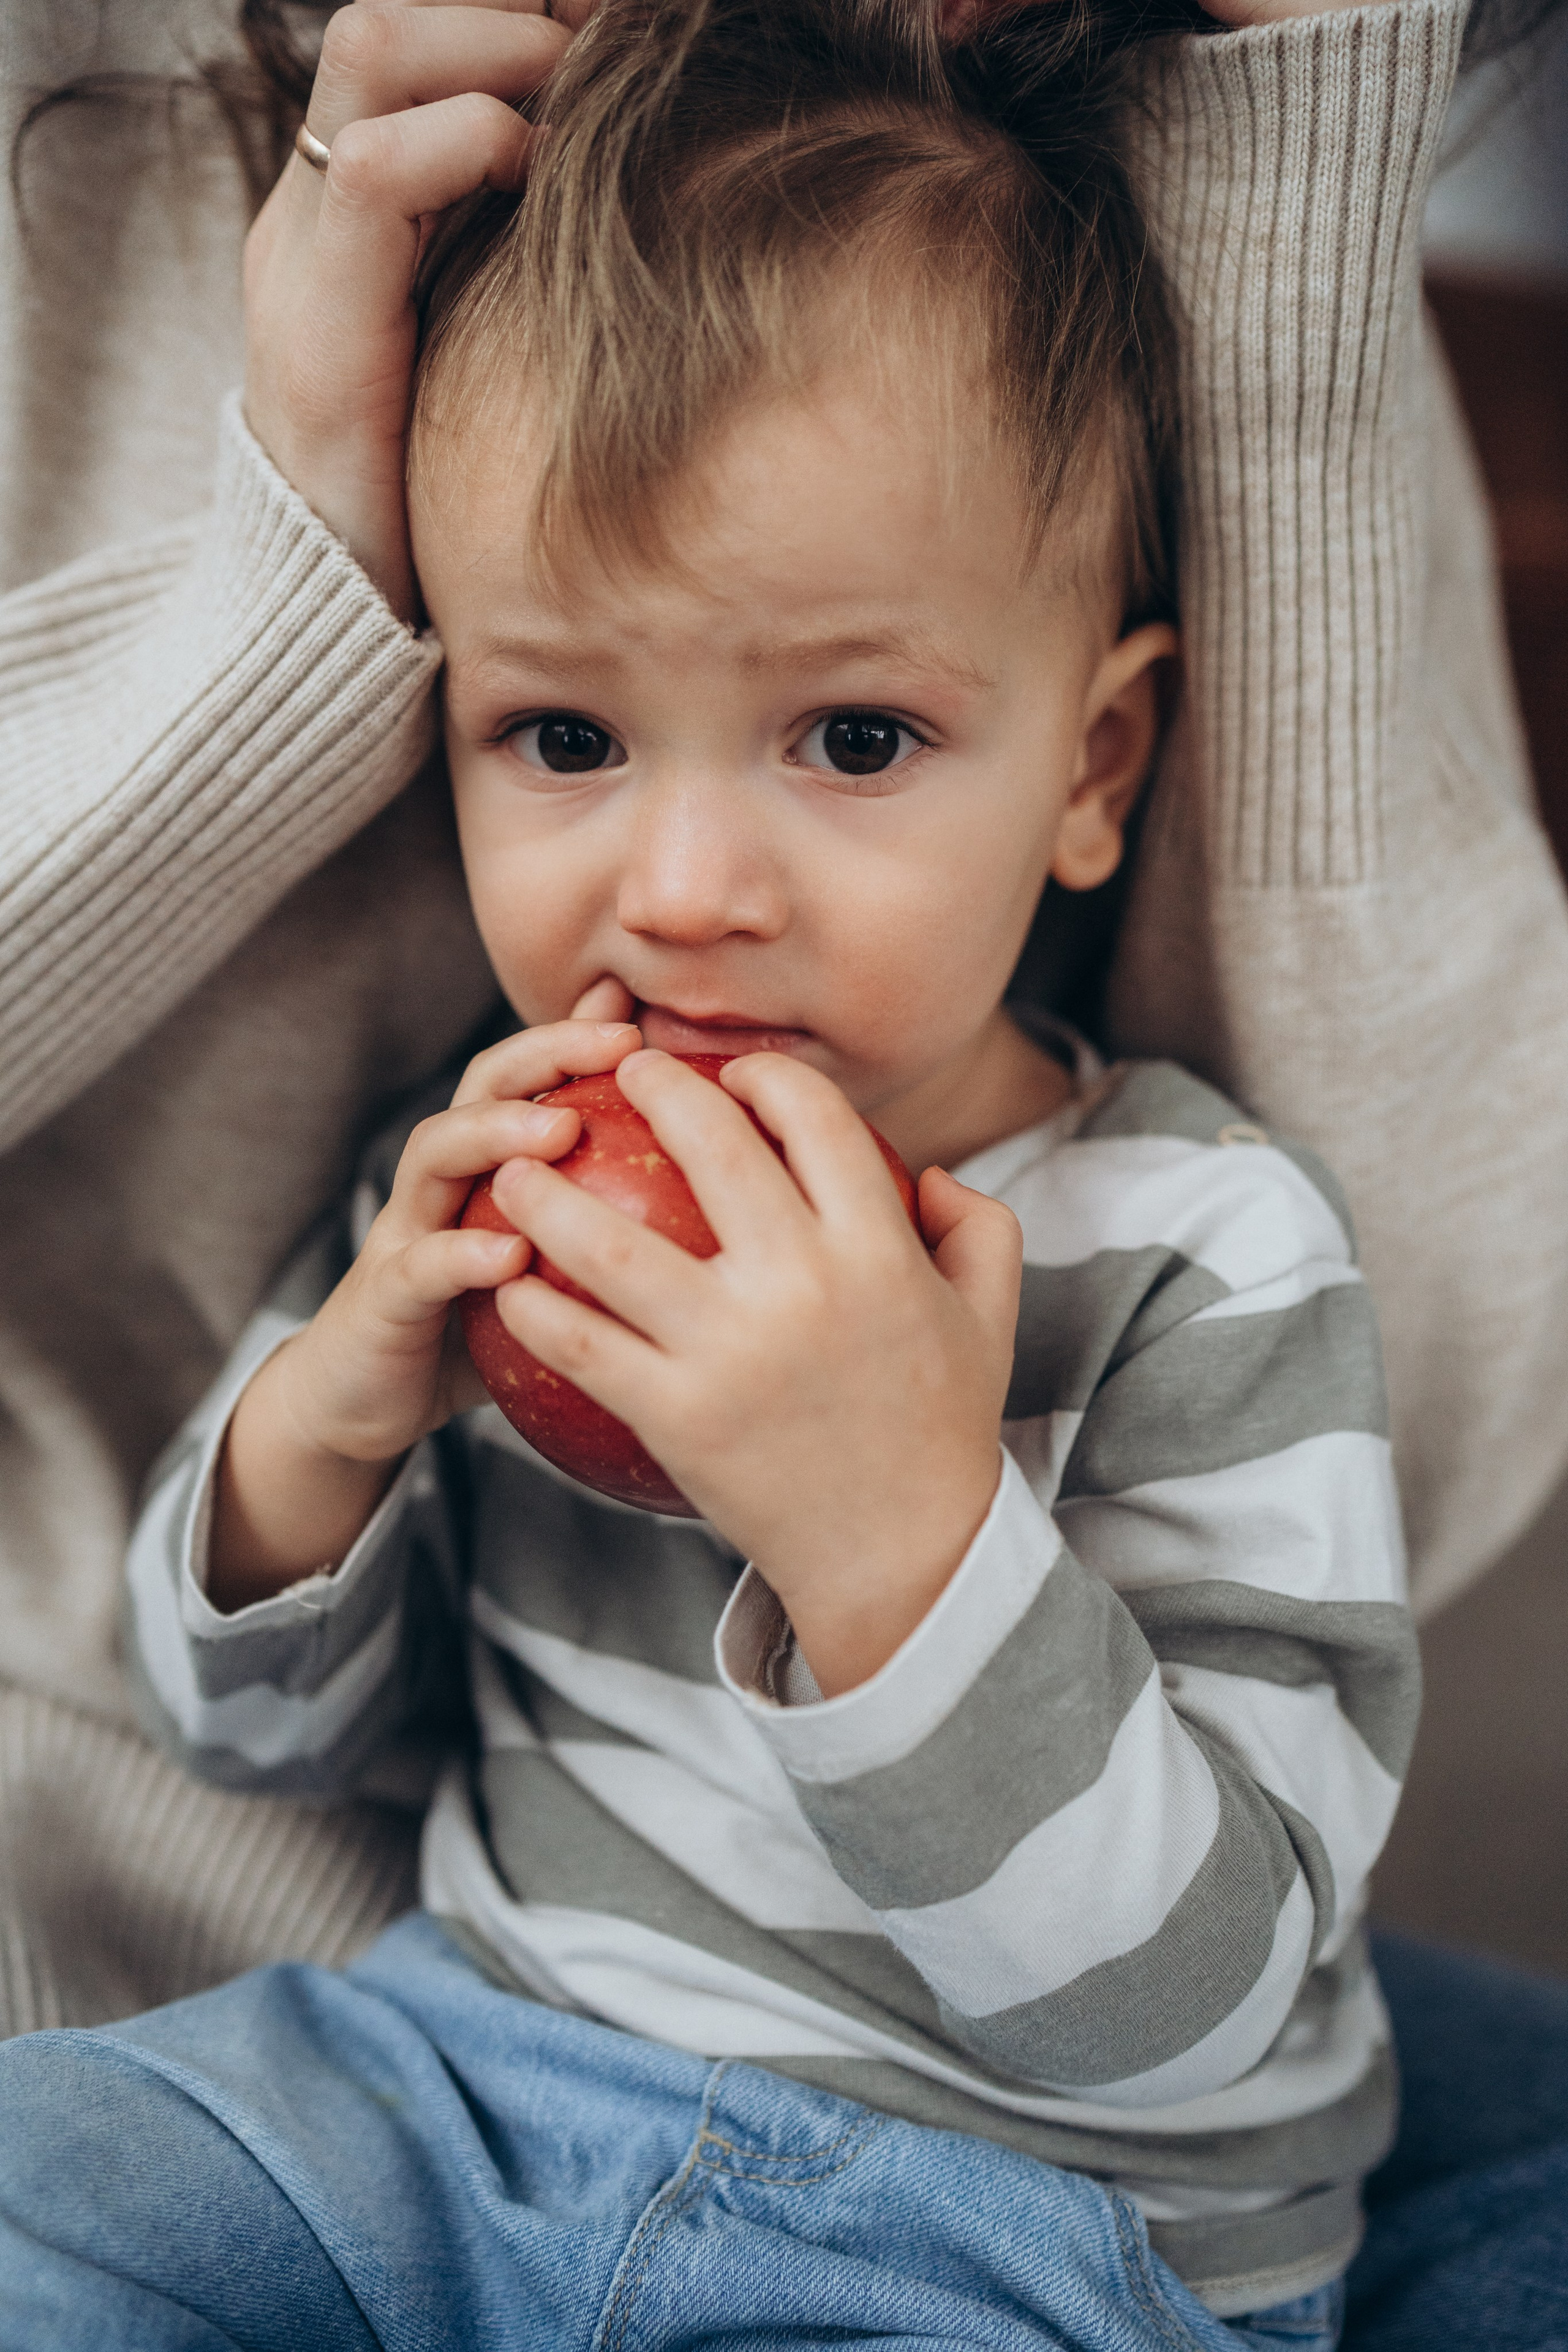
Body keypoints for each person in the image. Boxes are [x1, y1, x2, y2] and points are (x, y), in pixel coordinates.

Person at [0, 0, 1430, 2338]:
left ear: (1095, 766)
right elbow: (243, 1732)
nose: (678, 886)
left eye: (852, 736)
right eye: (560, 732)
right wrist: (336, 1418)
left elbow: (1194, 2009)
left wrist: (895, 1537)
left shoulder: (1201, 1257)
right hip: (477, 2080)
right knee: (49, 2173)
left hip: (1003, 2217)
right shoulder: (482, 1166)